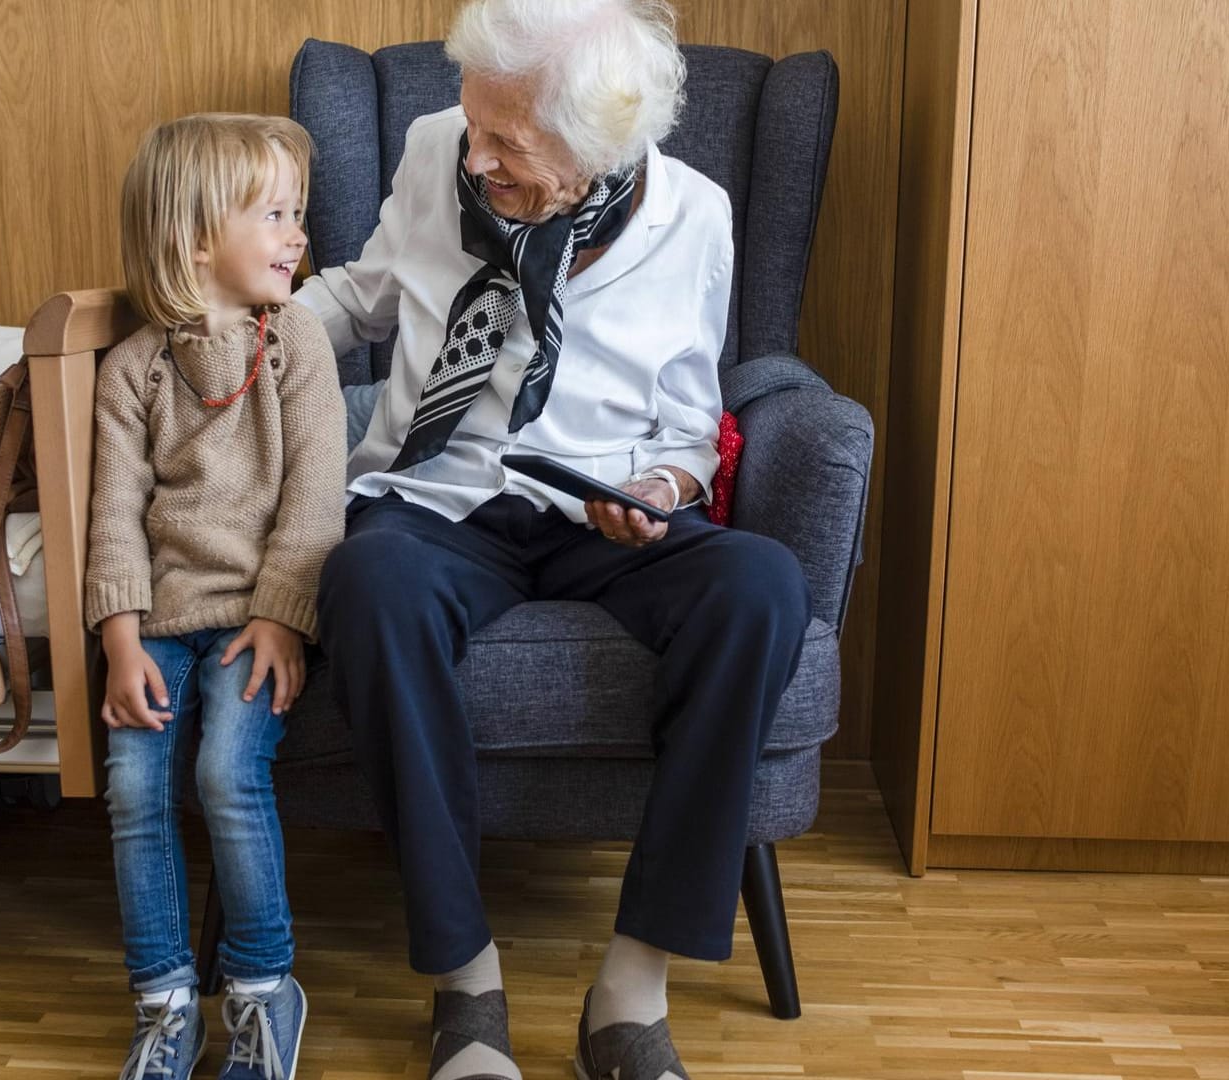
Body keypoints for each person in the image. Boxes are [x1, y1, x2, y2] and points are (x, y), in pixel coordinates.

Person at [295, 3, 810, 1078]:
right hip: (442, 495)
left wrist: (659, 487)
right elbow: (371, 295)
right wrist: (232, 319)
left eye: (509, 145)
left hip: (600, 510)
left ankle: (631, 991)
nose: (473, 158)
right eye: (471, 126)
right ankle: (465, 991)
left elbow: (683, 418)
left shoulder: (694, 217)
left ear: (599, 147)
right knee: (366, 581)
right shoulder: (439, 145)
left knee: (759, 584)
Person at [86, 112, 345, 1080]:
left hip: (256, 622)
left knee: (225, 776)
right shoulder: (132, 370)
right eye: (274, 214)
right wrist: (118, 643)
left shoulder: (298, 346)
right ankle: (163, 1005)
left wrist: (283, 615)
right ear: (196, 238)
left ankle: (262, 993)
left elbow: (318, 496)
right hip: (158, 626)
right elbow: (113, 517)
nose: (298, 234)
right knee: (133, 785)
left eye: (298, 213)